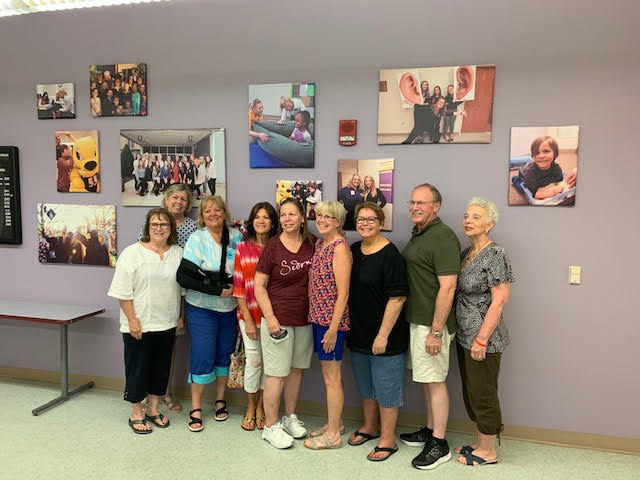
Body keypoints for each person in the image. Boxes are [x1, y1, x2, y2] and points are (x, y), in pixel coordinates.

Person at [107, 208, 185, 434]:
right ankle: (136, 412)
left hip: (167, 322)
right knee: (138, 368)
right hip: (140, 322)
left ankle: (152, 409)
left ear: (171, 229)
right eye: (155, 224)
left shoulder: (178, 253)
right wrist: (132, 320)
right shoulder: (132, 253)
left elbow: (181, 290)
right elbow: (123, 292)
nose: (159, 228)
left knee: (160, 369)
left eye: (164, 224)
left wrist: (181, 316)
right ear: (147, 228)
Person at [401, 183, 461, 470]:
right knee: (426, 378)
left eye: (421, 203)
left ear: (436, 206)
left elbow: (448, 288)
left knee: (436, 381)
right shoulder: (419, 233)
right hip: (418, 320)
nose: (414, 207)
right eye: (412, 202)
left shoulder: (443, 237)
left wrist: (437, 331)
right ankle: (429, 428)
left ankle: (439, 442)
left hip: (432, 325)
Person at [454, 197, 514, 467]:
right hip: (465, 335)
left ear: (489, 224)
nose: (468, 220)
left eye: (476, 217)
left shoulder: (496, 254)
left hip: (484, 339)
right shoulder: (467, 253)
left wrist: (481, 339)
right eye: (467, 216)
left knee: (484, 392)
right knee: (472, 391)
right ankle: (479, 443)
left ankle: (488, 451)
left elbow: (500, 299)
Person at [347, 202, 408, 461]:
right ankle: (370, 427)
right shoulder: (353, 251)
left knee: (387, 389)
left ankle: (388, 439)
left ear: (381, 223)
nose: (365, 223)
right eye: (361, 219)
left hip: (386, 338)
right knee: (366, 387)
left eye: (371, 219)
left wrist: (382, 335)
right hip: (359, 334)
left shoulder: (391, 255)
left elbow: (397, 299)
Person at [254, 198, 315, 449]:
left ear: (302, 217)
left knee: (296, 372)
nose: (287, 219)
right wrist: (270, 318)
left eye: (292, 214)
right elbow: (259, 286)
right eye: (283, 215)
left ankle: (289, 417)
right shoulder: (272, 246)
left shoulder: (312, 244)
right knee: (276, 375)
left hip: (304, 319)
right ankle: (270, 426)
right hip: (277, 321)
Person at [182, 195, 242, 432]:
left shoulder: (236, 237)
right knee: (202, 355)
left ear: (224, 213)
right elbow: (187, 276)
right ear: (202, 215)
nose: (213, 214)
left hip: (229, 310)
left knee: (224, 355)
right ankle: (196, 407)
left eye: (218, 210)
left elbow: (242, 269)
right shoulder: (197, 239)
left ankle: (220, 400)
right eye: (208, 211)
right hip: (201, 308)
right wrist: (217, 290)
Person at [136, 183, 198, 412]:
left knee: (168, 349)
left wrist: (182, 311)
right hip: (150, 298)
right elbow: (138, 259)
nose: (178, 202)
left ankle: (165, 392)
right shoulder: (153, 224)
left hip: (176, 296)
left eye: (183, 199)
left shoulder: (192, 228)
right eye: (175, 197)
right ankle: (143, 394)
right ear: (166, 199)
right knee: (146, 348)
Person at [303, 201, 351, 450]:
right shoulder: (321, 243)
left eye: (328, 217)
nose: (321, 220)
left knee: (331, 378)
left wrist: (333, 329)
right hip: (318, 318)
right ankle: (337, 423)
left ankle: (333, 435)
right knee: (331, 376)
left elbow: (343, 295)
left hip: (332, 323)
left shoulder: (340, 249)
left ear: (338, 221)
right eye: (319, 216)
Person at [233, 202, 279, 431]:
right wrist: (249, 320)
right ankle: (250, 407)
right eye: (257, 217)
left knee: (270, 365)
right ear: (252, 221)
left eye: (266, 217)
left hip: (273, 318)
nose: (261, 221)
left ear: (273, 222)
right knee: (254, 362)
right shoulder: (243, 248)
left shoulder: (278, 247)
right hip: (249, 315)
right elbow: (239, 287)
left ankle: (262, 407)